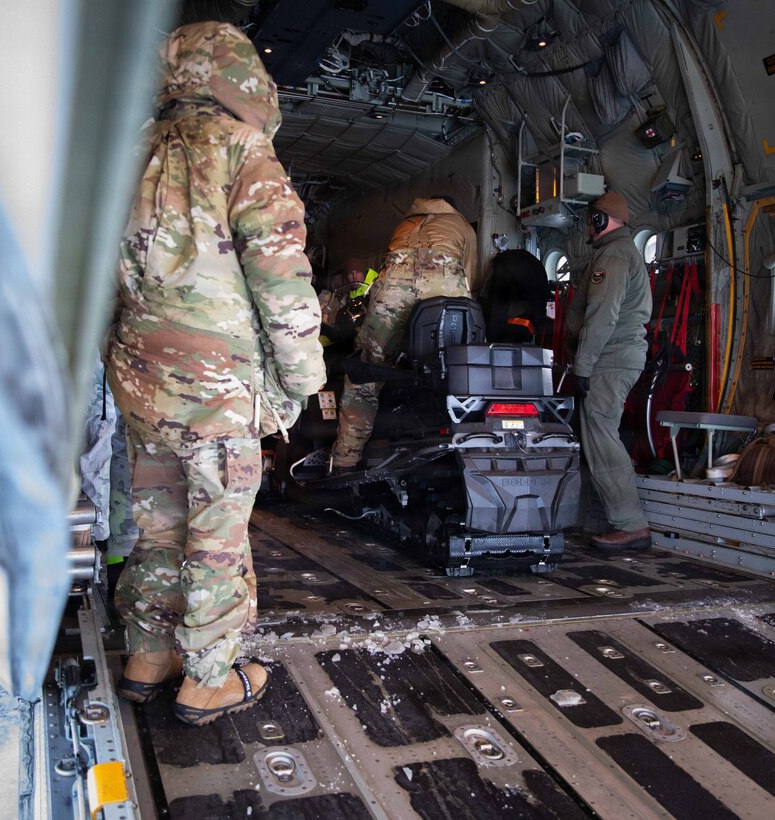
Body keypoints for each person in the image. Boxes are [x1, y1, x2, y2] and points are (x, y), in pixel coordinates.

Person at [104, 22, 325, 726]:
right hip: (216, 387)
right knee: (218, 529)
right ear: (242, 79)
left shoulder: (122, 153)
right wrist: (302, 381)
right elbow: (282, 280)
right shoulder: (243, 151)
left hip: (141, 383)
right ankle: (206, 678)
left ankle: (147, 656)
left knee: (159, 526)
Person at [331, 197, 477, 472]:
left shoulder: (404, 224)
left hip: (393, 283)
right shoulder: (461, 226)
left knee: (365, 372)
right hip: (444, 280)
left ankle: (345, 459)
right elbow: (472, 275)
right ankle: (458, 450)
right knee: (455, 366)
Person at [566, 190, 653, 550]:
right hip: (610, 357)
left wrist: (583, 365)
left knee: (601, 434)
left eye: (591, 219)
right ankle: (584, 517)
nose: (588, 226)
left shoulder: (614, 254)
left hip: (610, 358)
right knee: (592, 434)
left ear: (600, 220)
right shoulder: (616, 252)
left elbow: (603, 315)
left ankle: (630, 524)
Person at [479, 249, 552, 344]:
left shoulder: (504, 266)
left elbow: (496, 309)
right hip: (529, 314)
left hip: (512, 321)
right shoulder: (528, 264)